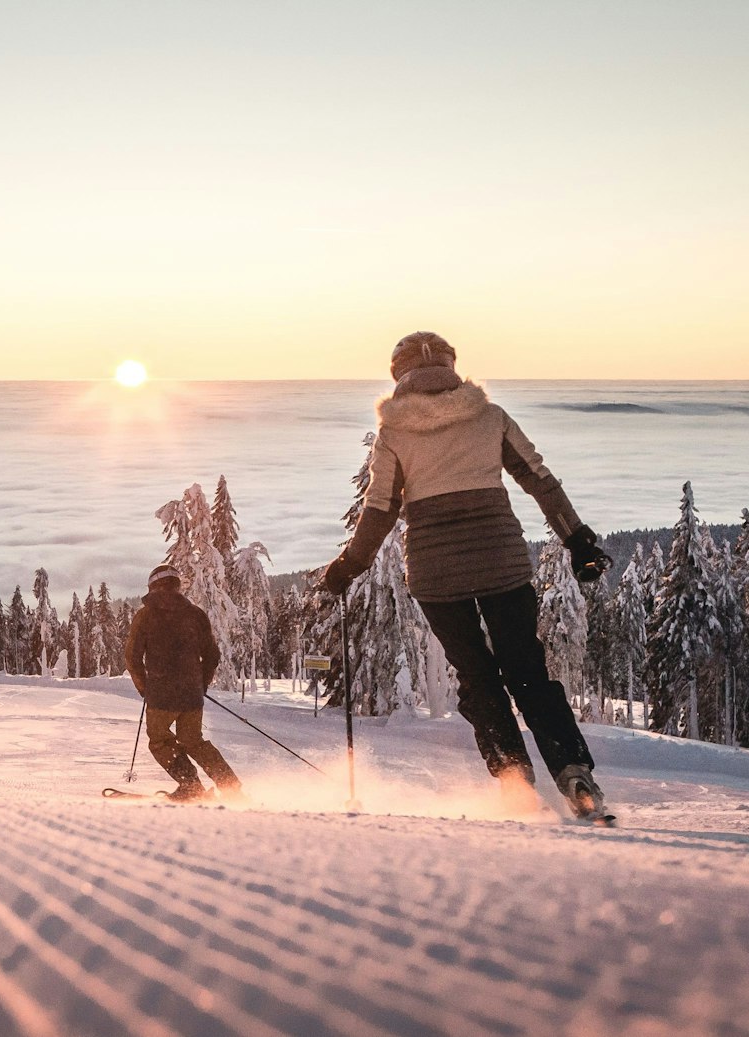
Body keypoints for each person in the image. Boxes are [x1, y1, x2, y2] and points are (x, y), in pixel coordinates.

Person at [319, 332, 613, 820]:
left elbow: (379, 508)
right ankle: (574, 774)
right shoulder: (489, 416)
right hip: (502, 564)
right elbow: (541, 481)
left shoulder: (394, 432)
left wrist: (350, 565)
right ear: (452, 367)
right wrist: (577, 540)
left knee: (479, 679)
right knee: (528, 673)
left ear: (399, 374)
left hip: (437, 576)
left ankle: (514, 781)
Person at [125, 564, 246, 803]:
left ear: (153, 586)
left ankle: (191, 786)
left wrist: (144, 688)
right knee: (194, 741)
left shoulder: (145, 615)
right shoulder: (195, 614)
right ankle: (231, 787)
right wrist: (200, 684)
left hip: (160, 694)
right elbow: (212, 655)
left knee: (159, 741)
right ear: (177, 585)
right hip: (191, 695)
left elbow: (132, 657)